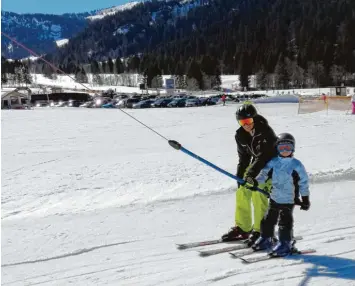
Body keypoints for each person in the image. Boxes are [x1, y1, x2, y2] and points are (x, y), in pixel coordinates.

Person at [221, 103, 278, 246]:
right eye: (242, 122)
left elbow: (264, 156)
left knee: (258, 194)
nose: (246, 125)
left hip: (272, 165)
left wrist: (251, 174)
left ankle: (262, 232)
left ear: (254, 118)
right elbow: (244, 158)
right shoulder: (240, 135)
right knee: (242, 191)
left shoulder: (265, 132)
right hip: (256, 165)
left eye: (249, 121)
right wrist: (241, 176)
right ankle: (243, 228)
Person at [248, 133, 310, 257]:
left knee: (284, 222)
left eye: (288, 147)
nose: (285, 151)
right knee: (267, 220)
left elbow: (303, 182)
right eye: (282, 148)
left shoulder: (296, 165)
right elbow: (264, 174)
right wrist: (255, 181)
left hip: (288, 199)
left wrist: (305, 199)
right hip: (275, 197)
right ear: (277, 148)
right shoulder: (273, 162)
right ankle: (266, 238)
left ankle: (285, 243)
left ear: (293, 148)